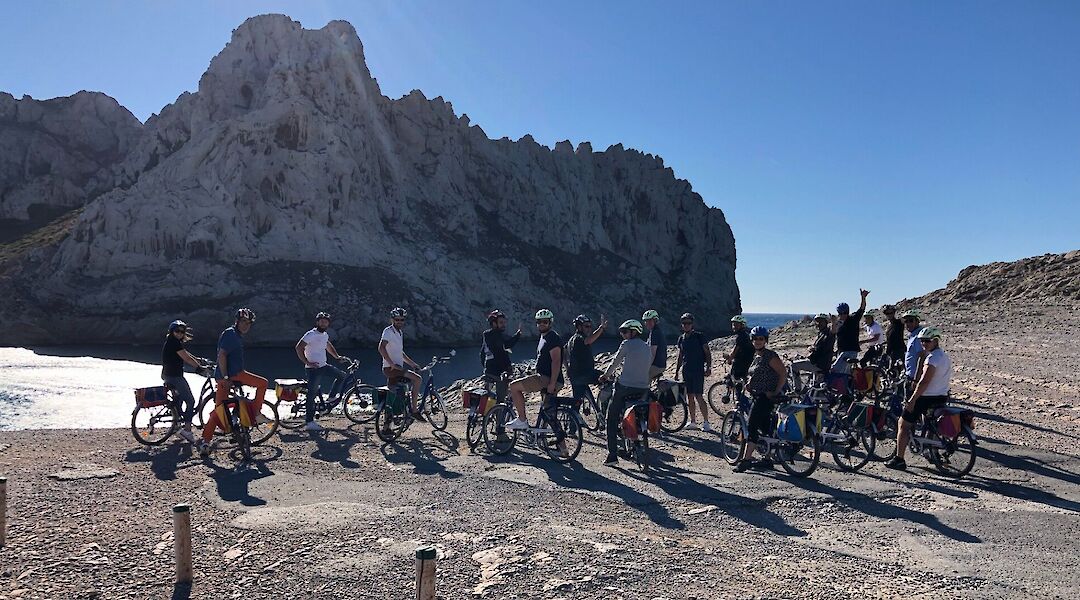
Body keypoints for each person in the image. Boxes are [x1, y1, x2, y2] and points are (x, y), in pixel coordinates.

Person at [199, 308, 268, 457]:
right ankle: (255, 413)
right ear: (237, 321)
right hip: (234, 376)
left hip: (226, 377)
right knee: (263, 383)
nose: (246, 325)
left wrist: (223, 378)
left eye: (249, 323)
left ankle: (206, 441)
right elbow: (222, 355)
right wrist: (225, 377)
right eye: (243, 322)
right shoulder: (231, 334)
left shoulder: (234, 334)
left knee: (219, 410)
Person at [886, 327, 952, 471]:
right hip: (941, 396)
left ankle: (899, 459)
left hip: (926, 397)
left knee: (903, 424)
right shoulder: (944, 356)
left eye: (927, 341)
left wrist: (913, 399)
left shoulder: (932, 359)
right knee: (928, 423)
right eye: (922, 341)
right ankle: (929, 451)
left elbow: (924, 382)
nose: (924, 344)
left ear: (935, 340)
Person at [733, 326, 788, 472]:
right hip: (757, 394)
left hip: (766, 396)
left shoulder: (770, 356)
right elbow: (756, 374)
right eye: (755, 339)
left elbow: (783, 373)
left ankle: (746, 460)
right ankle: (767, 458)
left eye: (761, 339)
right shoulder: (757, 356)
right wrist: (749, 384)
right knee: (764, 427)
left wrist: (775, 391)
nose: (758, 341)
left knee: (752, 425)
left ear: (765, 340)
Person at [599, 320, 653, 466]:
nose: (622, 335)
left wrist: (605, 375)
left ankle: (612, 456)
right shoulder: (646, 346)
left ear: (633, 332)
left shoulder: (626, 345)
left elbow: (615, 363)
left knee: (611, 417)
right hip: (643, 388)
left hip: (625, 387)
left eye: (624, 332)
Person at [505, 309, 564, 431]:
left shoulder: (552, 337)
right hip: (548, 378)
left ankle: (522, 420)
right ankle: (561, 448)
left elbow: (556, 361)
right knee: (549, 414)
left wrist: (552, 383)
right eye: (539, 322)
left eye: (545, 322)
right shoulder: (544, 337)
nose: (541, 324)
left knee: (514, 387)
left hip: (546, 379)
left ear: (550, 323)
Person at [295, 312, 345, 432]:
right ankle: (309, 422)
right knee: (311, 395)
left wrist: (337, 356)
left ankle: (331, 397)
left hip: (323, 366)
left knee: (341, 376)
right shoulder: (311, 334)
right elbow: (298, 347)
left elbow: (328, 345)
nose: (323, 323)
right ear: (317, 322)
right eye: (321, 321)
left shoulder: (324, 335)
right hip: (313, 369)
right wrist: (307, 362)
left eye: (326, 322)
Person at [161, 320, 203, 444]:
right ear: (172, 331)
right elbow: (186, 358)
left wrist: (198, 360)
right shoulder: (174, 343)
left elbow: (185, 353)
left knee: (178, 400)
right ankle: (187, 430)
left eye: (182, 332)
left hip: (167, 375)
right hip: (175, 376)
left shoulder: (173, 342)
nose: (180, 333)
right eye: (177, 331)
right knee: (190, 401)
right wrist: (199, 368)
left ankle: (177, 425)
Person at [378, 307, 424, 419]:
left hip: (396, 369)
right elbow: (381, 347)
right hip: (391, 369)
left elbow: (400, 353)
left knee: (395, 394)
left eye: (402, 320)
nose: (399, 322)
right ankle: (414, 409)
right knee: (417, 379)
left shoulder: (399, 333)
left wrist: (413, 364)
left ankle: (389, 425)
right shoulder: (388, 331)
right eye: (397, 319)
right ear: (392, 320)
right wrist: (391, 363)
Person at [565, 313, 607, 424]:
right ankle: (606, 411)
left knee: (577, 402)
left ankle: (572, 428)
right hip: (584, 374)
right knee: (608, 378)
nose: (589, 329)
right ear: (579, 327)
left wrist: (567, 369)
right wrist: (601, 328)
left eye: (590, 326)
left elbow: (563, 352)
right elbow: (589, 340)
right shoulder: (579, 338)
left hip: (575, 376)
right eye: (586, 326)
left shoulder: (571, 340)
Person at [675, 313, 713, 431]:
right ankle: (693, 421)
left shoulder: (699, 336)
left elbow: (707, 352)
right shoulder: (681, 338)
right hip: (686, 370)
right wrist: (677, 371)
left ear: (692, 324)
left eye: (688, 323)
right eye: (684, 323)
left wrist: (708, 367)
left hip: (697, 370)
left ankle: (706, 422)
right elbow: (680, 355)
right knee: (689, 396)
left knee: (698, 396)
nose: (686, 325)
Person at [481, 309, 522, 401]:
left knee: (486, 396)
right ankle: (499, 414)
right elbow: (506, 345)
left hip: (488, 371)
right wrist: (518, 335)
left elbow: (482, 353)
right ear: (494, 323)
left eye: (504, 322)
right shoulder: (497, 335)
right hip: (499, 372)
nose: (504, 325)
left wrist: (485, 367)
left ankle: (487, 413)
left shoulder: (486, 335)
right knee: (501, 399)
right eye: (501, 322)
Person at [830, 289, 869, 374]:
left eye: (845, 313)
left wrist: (863, 298)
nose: (842, 315)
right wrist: (833, 323)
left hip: (850, 351)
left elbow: (862, 309)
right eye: (840, 313)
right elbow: (833, 333)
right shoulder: (838, 323)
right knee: (845, 373)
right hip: (841, 351)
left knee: (834, 370)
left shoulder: (853, 319)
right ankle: (848, 387)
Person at [790, 314, 833, 383]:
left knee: (794, 366)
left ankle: (797, 389)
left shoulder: (827, 334)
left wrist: (813, 349)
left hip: (819, 364)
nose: (818, 324)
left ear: (826, 322)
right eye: (817, 322)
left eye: (821, 322)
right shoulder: (821, 333)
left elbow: (821, 349)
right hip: (819, 362)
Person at [723, 315, 754, 384]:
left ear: (742, 325)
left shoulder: (741, 336)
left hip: (741, 363)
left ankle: (740, 394)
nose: (734, 327)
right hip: (746, 361)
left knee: (735, 381)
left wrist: (730, 358)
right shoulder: (745, 334)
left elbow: (735, 350)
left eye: (736, 325)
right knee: (740, 381)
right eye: (733, 325)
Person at [642, 310, 667, 380]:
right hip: (660, 364)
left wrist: (647, 367)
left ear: (655, 321)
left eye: (650, 321)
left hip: (656, 365)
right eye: (646, 321)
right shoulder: (655, 331)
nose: (647, 323)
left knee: (641, 379)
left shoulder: (655, 333)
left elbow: (652, 353)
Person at [900, 309, 924, 381]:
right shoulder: (912, 335)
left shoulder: (918, 337)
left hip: (915, 377)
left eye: (911, 321)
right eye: (906, 321)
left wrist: (916, 380)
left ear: (917, 321)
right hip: (910, 374)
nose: (908, 323)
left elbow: (922, 358)